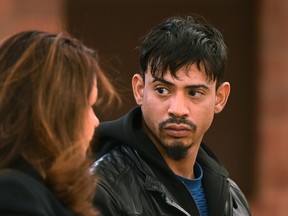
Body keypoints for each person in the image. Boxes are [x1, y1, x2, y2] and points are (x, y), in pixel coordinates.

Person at [91, 15, 253, 216]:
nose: (177, 109)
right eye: (162, 90)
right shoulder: (102, 188)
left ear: (220, 98)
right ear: (140, 90)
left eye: (194, 93)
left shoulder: (234, 199)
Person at [0, 30, 118, 216]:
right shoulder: (14, 192)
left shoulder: (69, 192)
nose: (96, 121)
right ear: (57, 110)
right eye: (88, 105)